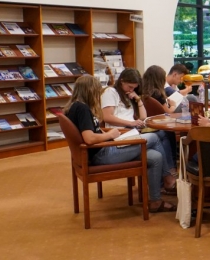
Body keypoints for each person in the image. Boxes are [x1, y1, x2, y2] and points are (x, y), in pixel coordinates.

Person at [64, 75, 175, 212]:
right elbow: (89, 138)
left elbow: (92, 133)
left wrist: (108, 135)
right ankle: (168, 178)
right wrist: (110, 135)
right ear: (90, 91)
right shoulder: (82, 109)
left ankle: (155, 201)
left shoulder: (74, 107)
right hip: (103, 154)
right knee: (153, 137)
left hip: (99, 151)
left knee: (155, 157)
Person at [101, 68, 178, 194]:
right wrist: (130, 123)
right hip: (119, 135)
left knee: (156, 153)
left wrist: (138, 100)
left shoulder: (128, 95)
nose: (131, 90)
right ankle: (168, 177)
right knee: (157, 136)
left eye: (134, 88)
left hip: (131, 133)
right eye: (130, 86)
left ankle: (157, 196)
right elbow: (107, 117)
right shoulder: (111, 92)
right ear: (122, 81)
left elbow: (143, 117)